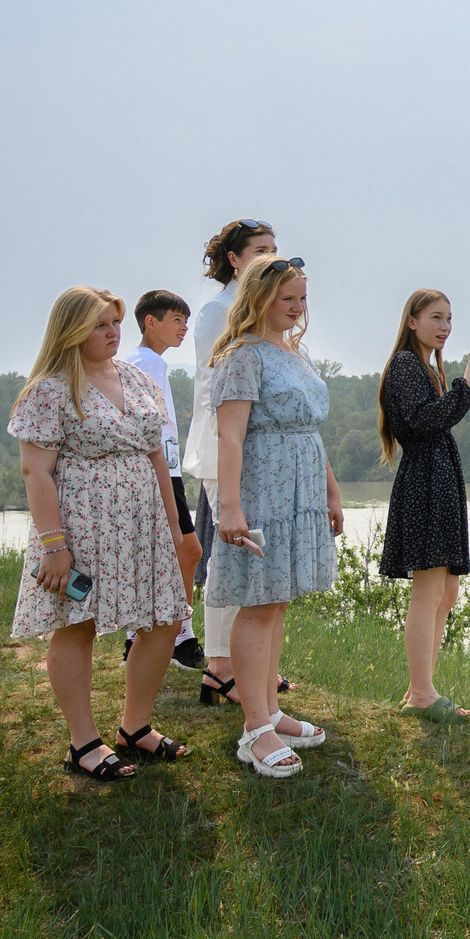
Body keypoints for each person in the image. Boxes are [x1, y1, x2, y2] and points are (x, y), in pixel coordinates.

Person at [7, 286, 199, 780]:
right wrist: (55, 546)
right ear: (71, 329)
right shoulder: (49, 389)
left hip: (144, 523)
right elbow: (36, 473)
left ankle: (134, 727)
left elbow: (158, 455)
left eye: (115, 323)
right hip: (81, 525)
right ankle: (83, 743)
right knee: (78, 624)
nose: (113, 332)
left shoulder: (137, 379)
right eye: (99, 324)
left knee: (162, 619)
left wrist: (177, 529)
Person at [205, 255, 340, 777]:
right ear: (259, 298)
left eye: (302, 298)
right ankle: (254, 730)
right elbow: (230, 435)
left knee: (277, 602)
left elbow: (311, 428)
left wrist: (329, 491)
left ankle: (271, 711)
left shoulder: (294, 351)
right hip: (263, 489)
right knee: (258, 604)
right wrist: (232, 507)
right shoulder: (242, 355)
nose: (298, 307)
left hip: (302, 490)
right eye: (288, 298)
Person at [179, 218, 286, 704]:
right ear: (235, 259)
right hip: (226, 448)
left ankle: (247, 666)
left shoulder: (258, 309)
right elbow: (213, 391)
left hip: (257, 447)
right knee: (234, 557)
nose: (271, 257)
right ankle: (222, 669)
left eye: (275, 249)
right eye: (261, 250)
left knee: (251, 556)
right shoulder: (215, 312)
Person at [376, 288, 470, 722]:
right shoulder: (407, 364)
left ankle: (421, 688)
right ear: (412, 321)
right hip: (425, 482)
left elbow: (434, 417)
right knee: (427, 593)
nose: (444, 326)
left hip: (437, 481)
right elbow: (422, 422)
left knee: (446, 592)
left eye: (449, 319)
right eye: (435, 317)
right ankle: (421, 695)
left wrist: (461, 385)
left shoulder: (426, 366)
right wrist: (469, 386)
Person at [119, 289, 206, 675]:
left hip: (164, 469)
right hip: (158, 472)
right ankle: (176, 637)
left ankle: (157, 636)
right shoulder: (143, 362)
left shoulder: (151, 361)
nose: (184, 328)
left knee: (178, 553)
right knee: (185, 552)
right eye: (176, 320)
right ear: (149, 322)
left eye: (185, 321)